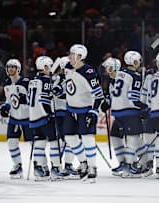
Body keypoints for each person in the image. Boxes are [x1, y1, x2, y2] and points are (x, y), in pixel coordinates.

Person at [56, 44, 104, 183]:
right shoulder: (68, 70)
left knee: (88, 138)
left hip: (85, 110)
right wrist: (59, 91)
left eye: (72, 54)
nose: (69, 57)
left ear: (79, 57)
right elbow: (70, 90)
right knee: (69, 138)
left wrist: (94, 111)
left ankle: (92, 167)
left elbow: (99, 95)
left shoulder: (88, 72)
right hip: (71, 110)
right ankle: (83, 162)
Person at [109, 50, 145, 178]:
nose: (139, 63)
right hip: (129, 111)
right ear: (134, 61)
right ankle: (129, 166)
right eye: (138, 60)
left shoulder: (120, 73)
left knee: (116, 136)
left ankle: (124, 163)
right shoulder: (135, 76)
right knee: (133, 138)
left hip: (117, 111)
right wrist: (144, 108)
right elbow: (134, 98)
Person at [29, 56, 64, 181]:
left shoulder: (32, 81)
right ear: (44, 67)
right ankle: (55, 168)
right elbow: (43, 100)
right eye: (48, 66)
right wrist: (49, 113)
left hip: (34, 116)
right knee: (54, 142)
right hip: (44, 116)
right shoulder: (45, 81)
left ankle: (39, 169)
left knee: (40, 142)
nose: (50, 69)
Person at [0, 58, 31, 179]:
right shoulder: (7, 83)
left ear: (18, 69)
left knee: (34, 143)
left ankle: (40, 165)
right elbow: (9, 99)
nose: (10, 69)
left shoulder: (26, 82)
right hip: (14, 118)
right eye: (8, 67)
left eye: (13, 66)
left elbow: (33, 98)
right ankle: (17, 166)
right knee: (12, 142)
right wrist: (5, 107)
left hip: (27, 117)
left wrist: (25, 99)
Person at [51, 56, 80, 179]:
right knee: (67, 139)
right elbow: (57, 92)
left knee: (68, 139)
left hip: (66, 112)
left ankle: (63, 165)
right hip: (61, 113)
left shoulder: (66, 78)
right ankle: (60, 166)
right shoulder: (60, 78)